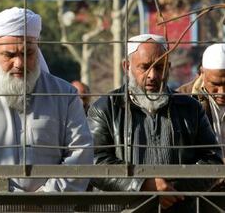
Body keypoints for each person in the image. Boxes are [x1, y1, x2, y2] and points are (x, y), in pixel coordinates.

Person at [0, 7, 93, 192]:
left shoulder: (65, 95)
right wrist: (12, 202)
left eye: (28, 54)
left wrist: (44, 201)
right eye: (10, 55)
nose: (19, 63)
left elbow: (80, 154)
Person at [88, 34, 222, 212]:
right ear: (126, 66)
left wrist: (171, 190)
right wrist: (143, 185)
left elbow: (212, 159)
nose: (153, 75)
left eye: (159, 68)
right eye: (145, 67)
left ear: (168, 68)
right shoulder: (105, 109)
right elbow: (94, 160)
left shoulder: (190, 108)